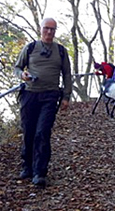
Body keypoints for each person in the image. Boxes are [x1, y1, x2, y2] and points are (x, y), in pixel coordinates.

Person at [14, 18, 72, 187]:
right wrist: (22, 75)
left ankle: (40, 172)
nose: (49, 32)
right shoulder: (30, 48)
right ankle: (27, 166)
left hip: (50, 96)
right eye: (46, 29)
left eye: (52, 30)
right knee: (29, 131)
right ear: (41, 29)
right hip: (29, 95)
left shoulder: (61, 51)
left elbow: (67, 75)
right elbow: (17, 68)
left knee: (42, 132)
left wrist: (66, 97)